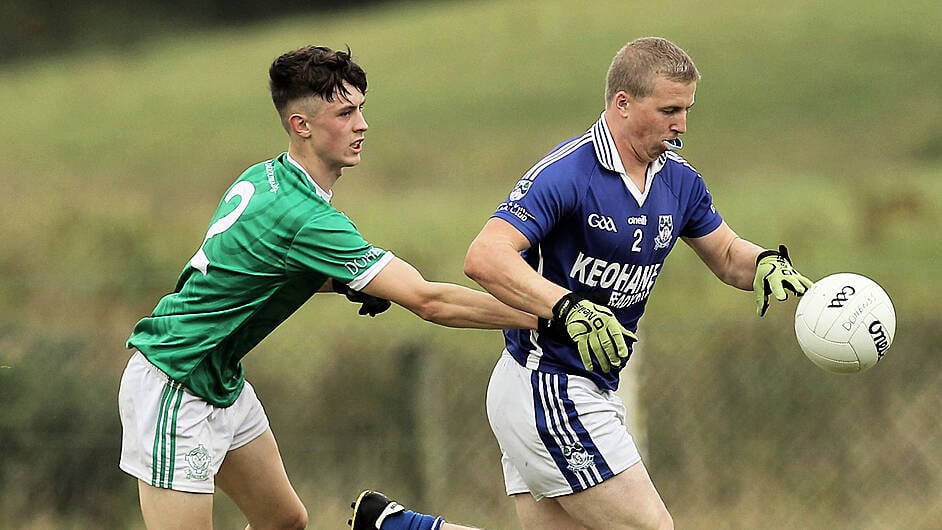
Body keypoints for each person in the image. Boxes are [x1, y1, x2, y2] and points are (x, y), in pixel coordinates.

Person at [117, 45, 553, 530]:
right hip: (176, 379)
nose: (362, 124)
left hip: (219, 377)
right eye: (345, 113)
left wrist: (343, 284)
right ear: (301, 125)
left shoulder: (265, 175)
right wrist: (547, 315)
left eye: (361, 108)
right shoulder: (307, 217)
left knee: (284, 522)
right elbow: (430, 301)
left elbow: (255, 270)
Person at [463, 36, 814, 529]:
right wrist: (569, 308)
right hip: (548, 381)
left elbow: (728, 254)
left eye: (688, 109)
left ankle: (401, 525)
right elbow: (485, 256)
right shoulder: (567, 174)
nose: (682, 125)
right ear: (622, 105)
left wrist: (763, 263)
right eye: (670, 109)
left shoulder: (679, 181)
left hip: (586, 387)